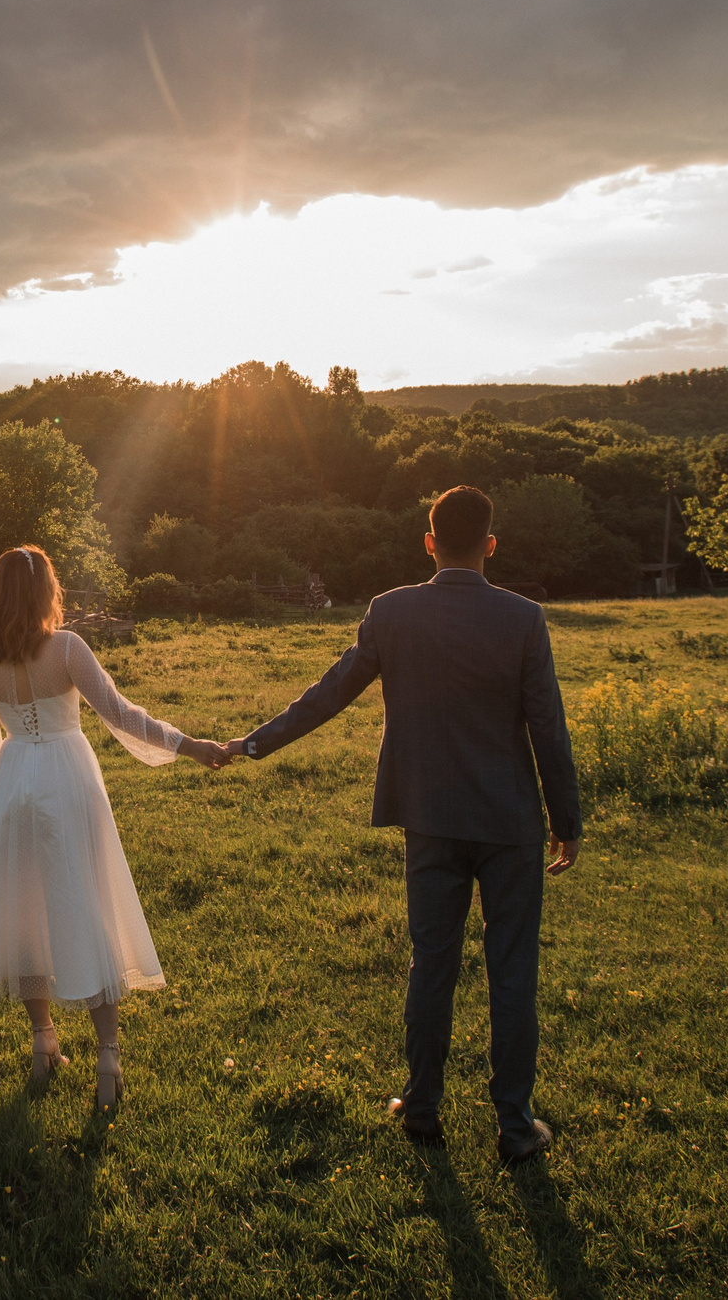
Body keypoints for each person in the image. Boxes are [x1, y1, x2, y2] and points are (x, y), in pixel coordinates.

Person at [232, 485, 581, 1159]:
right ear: (490, 545)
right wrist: (566, 818)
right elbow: (549, 728)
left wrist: (253, 744)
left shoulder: (391, 610)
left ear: (428, 543)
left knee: (432, 963)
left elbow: (329, 694)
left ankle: (422, 1106)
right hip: (510, 821)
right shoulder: (524, 618)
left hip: (429, 818)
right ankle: (515, 1126)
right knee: (513, 973)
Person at [0, 543, 230, 1108]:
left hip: (10, 785)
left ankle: (43, 1041)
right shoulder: (67, 648)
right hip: (66, 779)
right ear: (45, 593)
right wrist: (189, 745)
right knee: (86, 904)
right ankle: (107, 1056)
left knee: (25, 914)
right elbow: (120, 713)